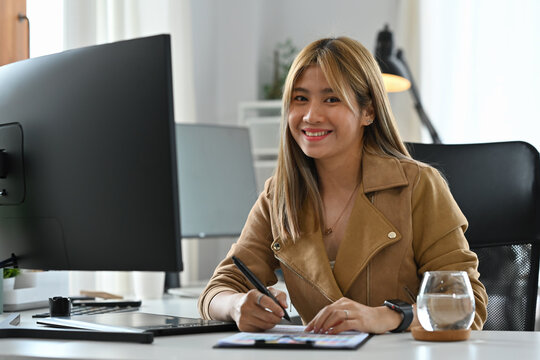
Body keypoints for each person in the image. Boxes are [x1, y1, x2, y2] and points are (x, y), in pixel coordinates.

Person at [198, 36, 488, 334]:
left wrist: (387, 317)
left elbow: (468, 306)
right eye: (300, 99)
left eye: (331, 98)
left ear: (368, 112)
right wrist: (236, 305)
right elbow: (217, 290)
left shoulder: (418, 186)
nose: (311, 115)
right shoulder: (280, 195)